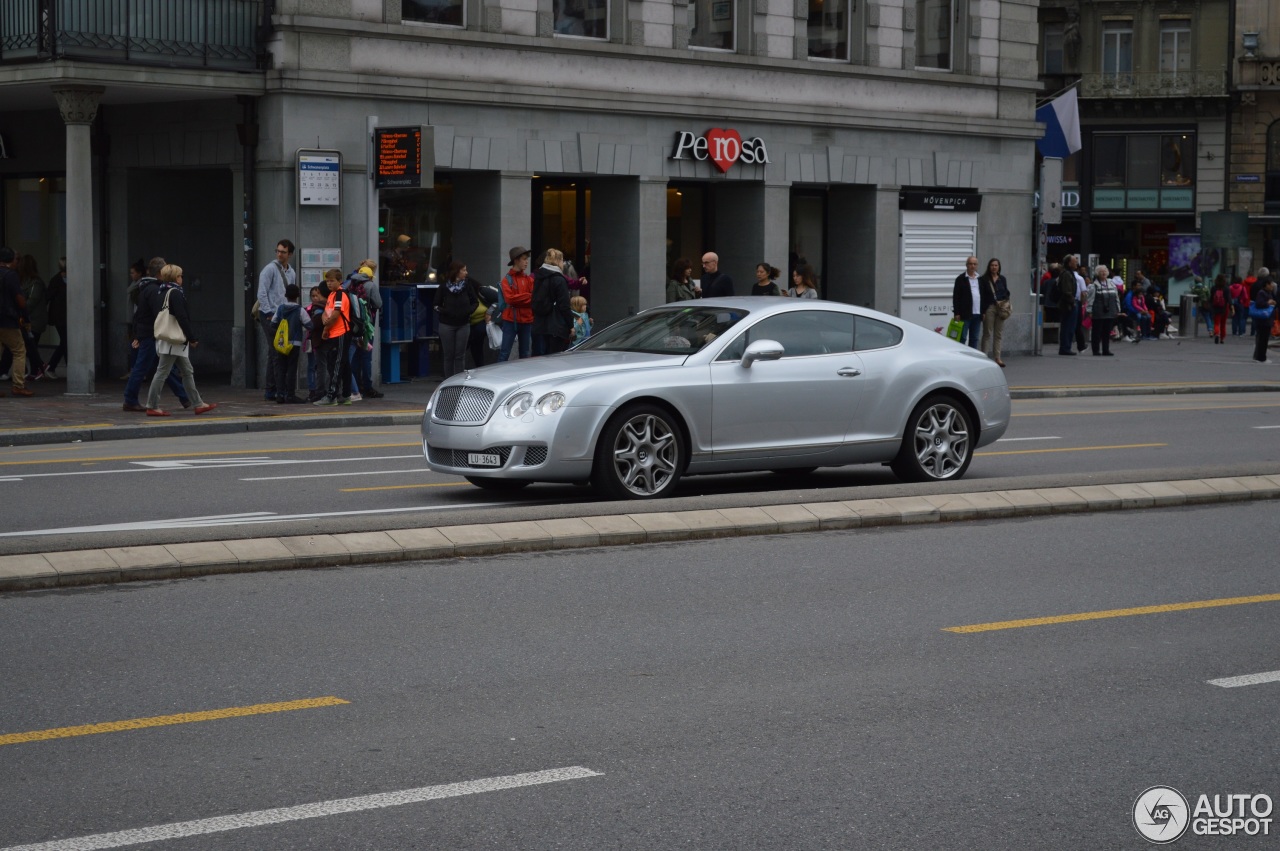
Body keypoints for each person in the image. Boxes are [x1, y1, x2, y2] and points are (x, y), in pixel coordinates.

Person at [143, 264, 217, 416]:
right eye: (180, 275)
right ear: (175, 277)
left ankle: (198, 403)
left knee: (187, 371)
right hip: (174, 340)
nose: (182, 278)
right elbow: (182, 317)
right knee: (162, 371)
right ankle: (152, 405)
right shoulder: (175, 293)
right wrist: (192, 337)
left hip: (168, 339)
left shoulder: (161, 291)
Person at [123, 256, 191, 412]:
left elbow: (140, 314)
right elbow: (159, 314)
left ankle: (185, 398)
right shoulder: (155, 290)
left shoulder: (147, 288)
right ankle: (130, 399)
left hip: (148, 333)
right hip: (151, 334)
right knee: (150, 367)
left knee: (164, 368)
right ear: (161, 272)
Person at [257, 239, 297, 401]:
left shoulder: (291, 273)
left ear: (290, 254)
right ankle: (272, 390)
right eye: (278, 251)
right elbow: (262, 293)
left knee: (275, 352)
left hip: (283, 316)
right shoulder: (269, 269)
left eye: (283, 252)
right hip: (270, 314)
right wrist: (268, 313)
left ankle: (271, 388)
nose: (279, 254)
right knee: (276, 351)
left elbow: (290, 295)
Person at [314, 268, 354, 406]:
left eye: (332, 281)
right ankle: (346, 395)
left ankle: (332, 396)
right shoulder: (332, 295)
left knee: (337, 364)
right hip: (334, 333)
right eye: (327, 281)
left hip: (341, 332)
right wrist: (326, 322)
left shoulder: (340, 295)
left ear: (340, 281)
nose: (329, 284)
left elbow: (335, 314)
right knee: (340, 363)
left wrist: (326, 326)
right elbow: (326, 312)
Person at [344, 260, 383, 399]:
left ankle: (356, 386)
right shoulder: (370, 285)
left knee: (354, 357)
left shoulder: (350, 283)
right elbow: (378, 303)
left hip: (353, 325)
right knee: (366, 357)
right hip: (366, 325)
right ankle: (368, 387)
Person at [434, 261, 477, 377]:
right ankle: (448, 380)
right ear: (456, 272)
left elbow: (475, 302)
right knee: (448, 355)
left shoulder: (467, 285)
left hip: (463, 324)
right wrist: (446, 312)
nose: (466, 273)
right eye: (464, 270)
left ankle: (458, 380)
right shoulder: (443, 287)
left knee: (460, 355)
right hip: (447, 325)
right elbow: (436, 305)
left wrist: (468, 311)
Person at [0, 247, 33, 397]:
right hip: (7, 319)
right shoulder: (10, 275)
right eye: (15, 260)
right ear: (10, 261)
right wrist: (25, 318)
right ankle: (18, 385)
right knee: (19, 351)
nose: (17, 263)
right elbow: (20, 300)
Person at [271, 283, 310, 404]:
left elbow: (273, 323)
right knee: (291, 369)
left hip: (282, 343)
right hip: (294, 343)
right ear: (298, 296)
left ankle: (280, 394)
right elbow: (309, 324)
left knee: (281, 369)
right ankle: (290, 395)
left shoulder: (280, 308)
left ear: (285, 295)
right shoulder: (300, 310)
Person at [532, 248, 573, 355]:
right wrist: (571, 325)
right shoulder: (559, 279)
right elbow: (564, 305)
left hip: (540, 324)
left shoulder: (538, 277)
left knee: (542, 357)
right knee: (555, 358)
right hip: (556, 326)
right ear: (558, 261)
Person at [499, 247, 535, 361]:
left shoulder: (529, 279)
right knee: (504, 353)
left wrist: (519, 299)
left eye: (527, 259)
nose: (526, 262)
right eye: (524, 259)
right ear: (516, 260)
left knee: (525, 354)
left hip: (526, 320)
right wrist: (528, 296)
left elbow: (534, 298)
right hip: (510, 320)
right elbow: (509, 299)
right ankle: (498, 377)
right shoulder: (506, 280)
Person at [17, 254, 47, 380]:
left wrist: (19, 310)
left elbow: (32, 301)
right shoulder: (24, 281)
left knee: (29, 346)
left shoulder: (35, 282)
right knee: (30, 346)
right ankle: (36, 370)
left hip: (33, 320)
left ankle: (40, 366)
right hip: (29, 319)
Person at [979, 257, 1010, 367]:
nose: (994, 267)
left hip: (1001, 309)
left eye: (996, 265)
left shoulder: (1002, 279)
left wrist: (1004, 302)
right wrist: (982, 311)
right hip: (990, 307)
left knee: (998, 334)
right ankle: (984, 357)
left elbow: (1007, 292)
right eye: (992, 265)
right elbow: (982, 296)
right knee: (987, 333)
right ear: (989, 267)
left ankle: (998, 358)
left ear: (999, 267)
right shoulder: (983, 279)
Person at [951, 255, 986, 350]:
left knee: (974, 338)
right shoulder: (961, 279)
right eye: (970, 264)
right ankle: (961, 356)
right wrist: (957, 312)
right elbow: (956, 297)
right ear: (967, 265)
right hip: (964, 314)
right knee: (962, 337)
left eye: (975, 264)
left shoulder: (981, 279)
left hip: (977, 314)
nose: (972, 266)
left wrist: (983, 312)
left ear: (977, 266)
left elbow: (983, 296)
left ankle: (972, 357)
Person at [1086, 264, 1119, 356]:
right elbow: (1090, 299)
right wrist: (1089, 311)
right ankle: (1096, 350)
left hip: (1110, 311)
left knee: (1107, 332)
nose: (1103, 273)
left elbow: (1116, 297)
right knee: (1097, 332)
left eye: (1105, 271)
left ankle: (1106, 350)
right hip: (1098, 311)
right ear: (1097, 273)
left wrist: (1118, 309)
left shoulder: (1112, 284)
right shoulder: (1094, 286)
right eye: (1101, 271)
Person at [42, 257, 67, 379]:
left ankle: (51, 366)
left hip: (64, 316)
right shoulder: (56, 280)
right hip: (60, 316)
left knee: (65, 342)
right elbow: (48, 297)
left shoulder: (60, 280)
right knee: (66, 342)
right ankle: (51, 366)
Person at [304, 285, 328, 402]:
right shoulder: (308, 309)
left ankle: (320, 389)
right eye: (313, 296)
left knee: (320, 366)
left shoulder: (320, 308)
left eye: (317, 295)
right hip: (310, 340)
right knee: (311, 366)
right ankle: (312, 389)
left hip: (318, 340)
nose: (315, 298)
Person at [1056, 255, 1079, 355]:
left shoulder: (1068, 273)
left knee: (1069, 326)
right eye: (1075, 261)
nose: (1076, 263)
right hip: (1068, 304)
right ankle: (1065, 348)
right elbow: (1067, 291)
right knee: (1068, 326)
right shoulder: (1066, 274)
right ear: (1069, 263)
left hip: (1069, 303)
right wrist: (1072, 302)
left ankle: (1066, 347)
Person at [1252, 279, 1277, 363]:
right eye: (1271, 284)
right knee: (1263, 339)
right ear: (1266, 284)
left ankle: (1259, 356)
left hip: (1267, 319)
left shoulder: (1268, 293)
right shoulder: (1262, 293)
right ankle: (1261, 357)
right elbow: (1259, 303)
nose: (1272, 286)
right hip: (1263, 319)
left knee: (1263, 339)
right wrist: (1268, 303)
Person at [1209, 274, 1231, 344]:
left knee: (1216, 323)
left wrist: (1210, 305)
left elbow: (1211, 298)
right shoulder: (1226, 288)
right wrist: (1232, 307)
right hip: (1224, 308)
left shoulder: (1213, 288)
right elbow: (1229, 299)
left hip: (1216, 307)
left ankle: (1217, 333)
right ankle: (1222, 339)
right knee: (1223, 323)